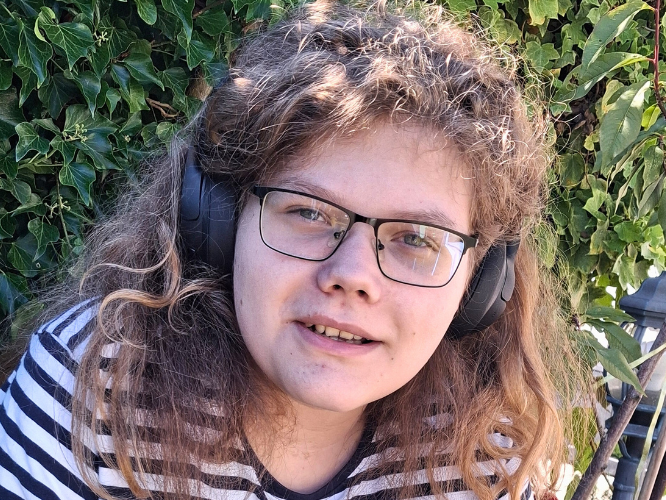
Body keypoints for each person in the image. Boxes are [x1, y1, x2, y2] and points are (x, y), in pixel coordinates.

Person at [0, 1, 585, 499]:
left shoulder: (485, 460)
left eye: (415, 239)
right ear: (219, 222)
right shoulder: (92, 394)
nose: (352, 275)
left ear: (479, 284)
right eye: (308, 212)